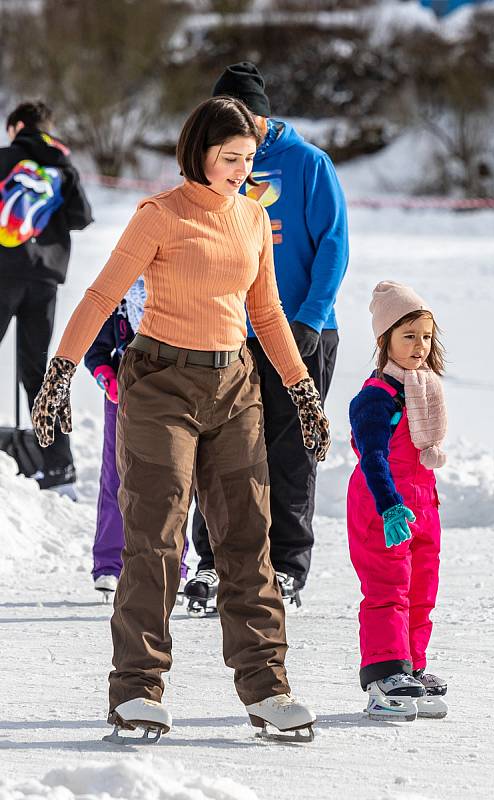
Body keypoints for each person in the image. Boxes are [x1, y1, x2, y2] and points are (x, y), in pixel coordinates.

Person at [32, 97, 330, 742]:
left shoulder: (252, 217)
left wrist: (302, 391)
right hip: (160, 384)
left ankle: (269, 689)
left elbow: (269, 313)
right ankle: (137, 691)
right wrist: (59, 372)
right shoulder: (159, 216)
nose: (241, 171)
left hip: (235, 385)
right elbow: (102, 295)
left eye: (249, 160)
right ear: (198, 152)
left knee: (248, 541)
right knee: (157, 536)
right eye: (230, 158)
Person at [189, 61, 349, 611]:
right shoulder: (214, 166)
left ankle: (286, 566)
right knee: (219, 448)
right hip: (230, 330)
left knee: (289, 449)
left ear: (261, 117)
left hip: (303, 328)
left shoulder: (309, 164)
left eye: (240, 122)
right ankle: (213, 563)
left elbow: (333, 245)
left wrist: (310, 316)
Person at [347, 281, 449, 722]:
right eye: (408, 336)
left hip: (422, 505)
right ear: (384, 339)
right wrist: (389, 505)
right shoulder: (377, 396)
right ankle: (385, 673)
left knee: (422, 591)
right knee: (389, 590)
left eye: (425, 335)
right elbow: (370, 456)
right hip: (381, 506)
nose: (420, 346)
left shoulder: (422, 388)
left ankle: (412, 664)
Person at [0, 101, 93, 496]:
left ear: (17, 126)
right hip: (44, 282)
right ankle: (58, 467)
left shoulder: (4, 158)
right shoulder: (63, 165)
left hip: (3, 273)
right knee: (38, 371)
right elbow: (81, 217)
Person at [83, 278, 191, 601]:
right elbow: (95, 349)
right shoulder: (117, 295)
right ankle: (109, 564)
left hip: (173, 392)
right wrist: (108, 378)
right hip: (125, 397)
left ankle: (175, 564)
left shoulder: (181, 290)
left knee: (176, 478)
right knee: (117, 476)